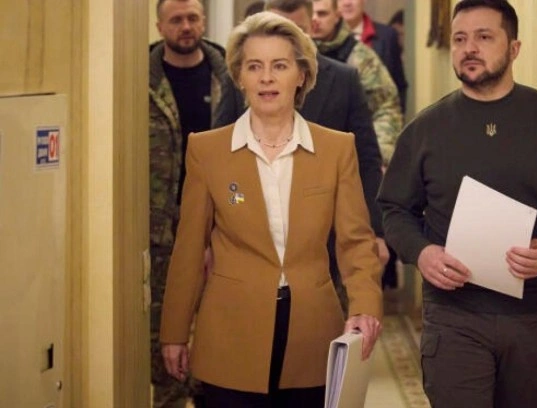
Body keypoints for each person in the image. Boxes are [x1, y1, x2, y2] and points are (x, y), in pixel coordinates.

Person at [377, 1, 537, 407]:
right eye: (460, 39)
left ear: (514, 48)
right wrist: (423, 253)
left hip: (531, 315)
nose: (469, 48)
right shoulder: (425, 130)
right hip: (453, 316)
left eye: (484, 37)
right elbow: (394, 209)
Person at [160, 11, 383, 407]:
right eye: (254, 66)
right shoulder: (207, 151)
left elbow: (355, 243)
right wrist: (174, 332)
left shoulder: (336, 149)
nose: (266, 78)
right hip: (230, 334)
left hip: (313, 334)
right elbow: (189, 249)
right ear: (239, 77)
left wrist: (365, 307)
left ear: (302, 75)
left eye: (279, 65)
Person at [214, 0, 390, 309]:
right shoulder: (242, 77)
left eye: (294, 30)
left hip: (325, 240)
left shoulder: (344, 79)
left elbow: (366, 160)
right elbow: (218, 156)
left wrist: (375, 231)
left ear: (311, 28)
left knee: (323, 324)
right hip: (251, 238)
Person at [149, 0, 228, 406]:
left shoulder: (229, 77)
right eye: (176, 20)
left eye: (193, 18)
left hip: (226, 226)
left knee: (223, 333)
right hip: (161, 231)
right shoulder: (141, 81)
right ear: (159, 25)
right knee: (166, 337)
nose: (186, 27)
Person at [311, 0, 402, 166]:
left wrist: (379, 158)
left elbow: (386, 108)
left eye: (322, 14)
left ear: (337, 16)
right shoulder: (292, 54)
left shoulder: (360, 57)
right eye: (310, 13)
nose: (315, 19)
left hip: (349, 159)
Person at [337, 0, 407, 112]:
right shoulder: (322, 39)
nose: (347, 3)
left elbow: (399, 84)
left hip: (381, 117)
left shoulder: (388, 36)